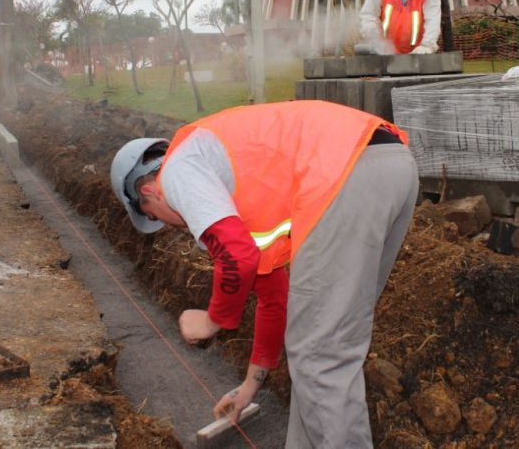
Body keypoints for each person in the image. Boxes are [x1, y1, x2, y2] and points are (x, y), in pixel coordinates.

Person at [110, 100, 419, 448]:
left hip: (344, 173)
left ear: (147, 192)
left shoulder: (178, 172)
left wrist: (213, 320)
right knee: (321, 346)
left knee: (319, 354)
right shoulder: (217, 183)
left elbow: (237, 257)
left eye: (151, 217)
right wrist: (249, 387)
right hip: (389, 165)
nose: (162, 224)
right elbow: (274, 298)